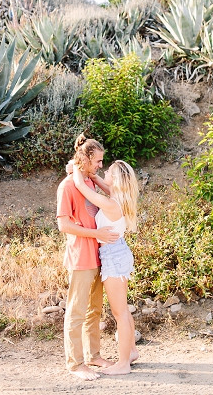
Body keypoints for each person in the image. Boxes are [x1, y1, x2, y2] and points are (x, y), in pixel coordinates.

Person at [56, 135, 118, 380]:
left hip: (99, 255)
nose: (101, 165)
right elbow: (64, 226)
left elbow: (114, 191)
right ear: (84, 158)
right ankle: (75, 363)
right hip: (81, 256)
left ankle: (93, 355)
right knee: (77, 311)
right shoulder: (68, 186)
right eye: (98, 162)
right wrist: (96, 233)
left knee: (94, 310)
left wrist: (92, 175)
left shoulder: (89, 182)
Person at [72, 159, 139, 375]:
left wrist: (75, 167)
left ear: (116, 178)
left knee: (119, 313)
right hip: (118, 252)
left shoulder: (111, 203)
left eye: (108, 170)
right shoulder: (118, 197)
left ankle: (123, 364)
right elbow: (100, 183)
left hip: (113, 255)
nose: (104, 170)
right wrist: (92, 175)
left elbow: (82, 187)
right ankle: (131, 352)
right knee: (123, 310)